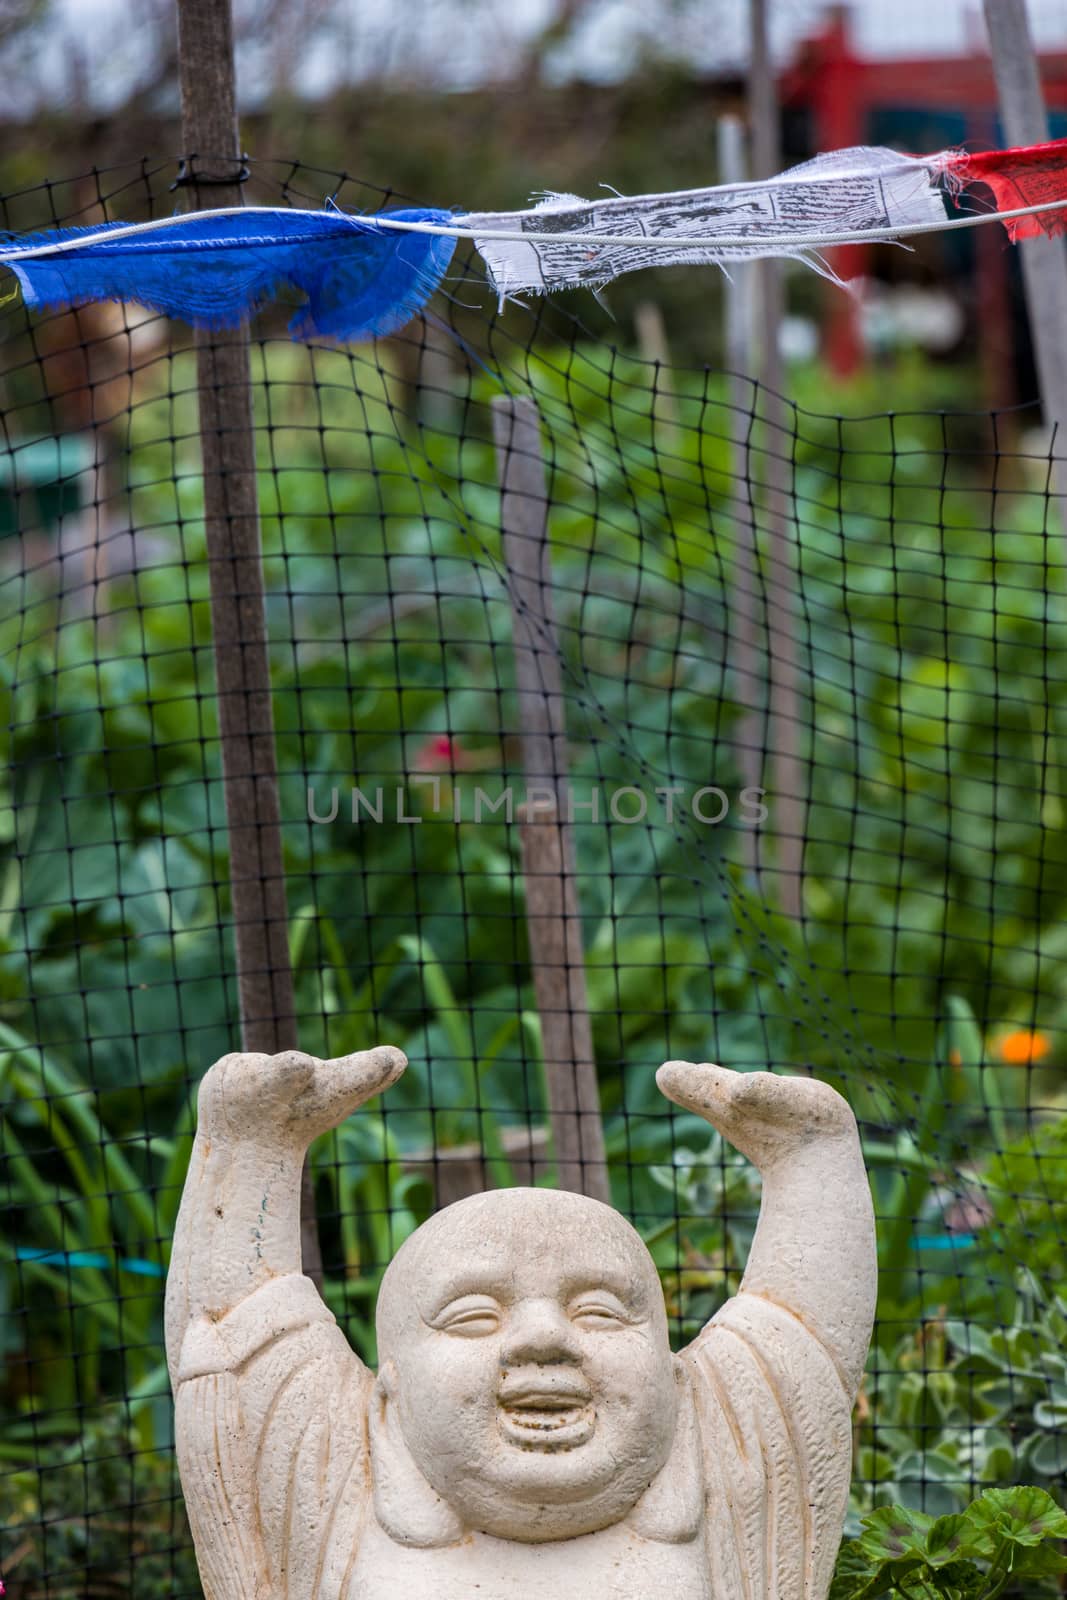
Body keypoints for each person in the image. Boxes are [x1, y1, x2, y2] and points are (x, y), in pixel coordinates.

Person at [165, 1046, 875, 1600]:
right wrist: (247, 1149)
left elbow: (803, 1336)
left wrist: (812, 1156)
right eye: (473, 1318)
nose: (544, 1337)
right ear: (385, 1406)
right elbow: (230, 1345)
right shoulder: (335, 1487)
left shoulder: (723, 1455)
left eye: (598, 1310)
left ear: (681, 1387)